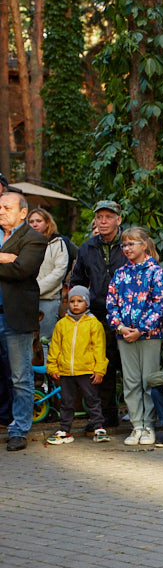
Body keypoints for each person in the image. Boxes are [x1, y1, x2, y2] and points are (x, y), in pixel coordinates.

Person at [106, 227, 163, 447]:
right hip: (124, 336)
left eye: (132, 243)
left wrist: (140, 329)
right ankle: (136, 425)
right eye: (124, 244)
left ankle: (149, 425)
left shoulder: (156, 271)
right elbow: (111, 303)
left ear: (144, 244)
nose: (127, 248)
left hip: (149, 335)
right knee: (131, 381)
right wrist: (121, 328)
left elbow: (159, 305)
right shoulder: (120, 273)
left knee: (148, 380)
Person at [69, 200, 128, 429]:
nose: (103, 221)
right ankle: (104, 417)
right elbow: (78, 281)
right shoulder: (87, 247)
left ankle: (140, 417)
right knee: (101, 367)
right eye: (99, 217)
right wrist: (81, 307)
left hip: (127, 315)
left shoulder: (129, 243)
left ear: (118, 220)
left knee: (130, 369)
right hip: (98, 313)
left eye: (108, 217)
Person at [0, 192, 49, 452]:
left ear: (22, 213)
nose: (0, 211)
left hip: (14, 315)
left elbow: (22, 270)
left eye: (6, 207)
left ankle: (19, 429)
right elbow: (11, 266)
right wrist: (4, 258)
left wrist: (13, 262)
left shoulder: (35, 238)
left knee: (20, 376)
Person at [45, 287, 109, 445]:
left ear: (86, 303)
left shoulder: (94, 324)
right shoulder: (61, 324)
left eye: (79, 301)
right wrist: (52, 367)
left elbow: (99, 349)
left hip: (87, 370)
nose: (75, 304)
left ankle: (98, 427)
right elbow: (54, 347)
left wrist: (99, 370)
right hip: (66, 371)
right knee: (67, 402)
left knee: (92, 399)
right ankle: (65, 430)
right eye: (72, 301)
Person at [28, 208, 70, 342]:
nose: (34, 224)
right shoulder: (25, 243)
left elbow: (59, 272)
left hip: (48, 299)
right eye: (31, 221)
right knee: (27, 341)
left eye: (38, 221)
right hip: (26, 299)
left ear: (47, 223)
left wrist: (36, 288)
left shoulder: (58, 243)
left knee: (45, 341)